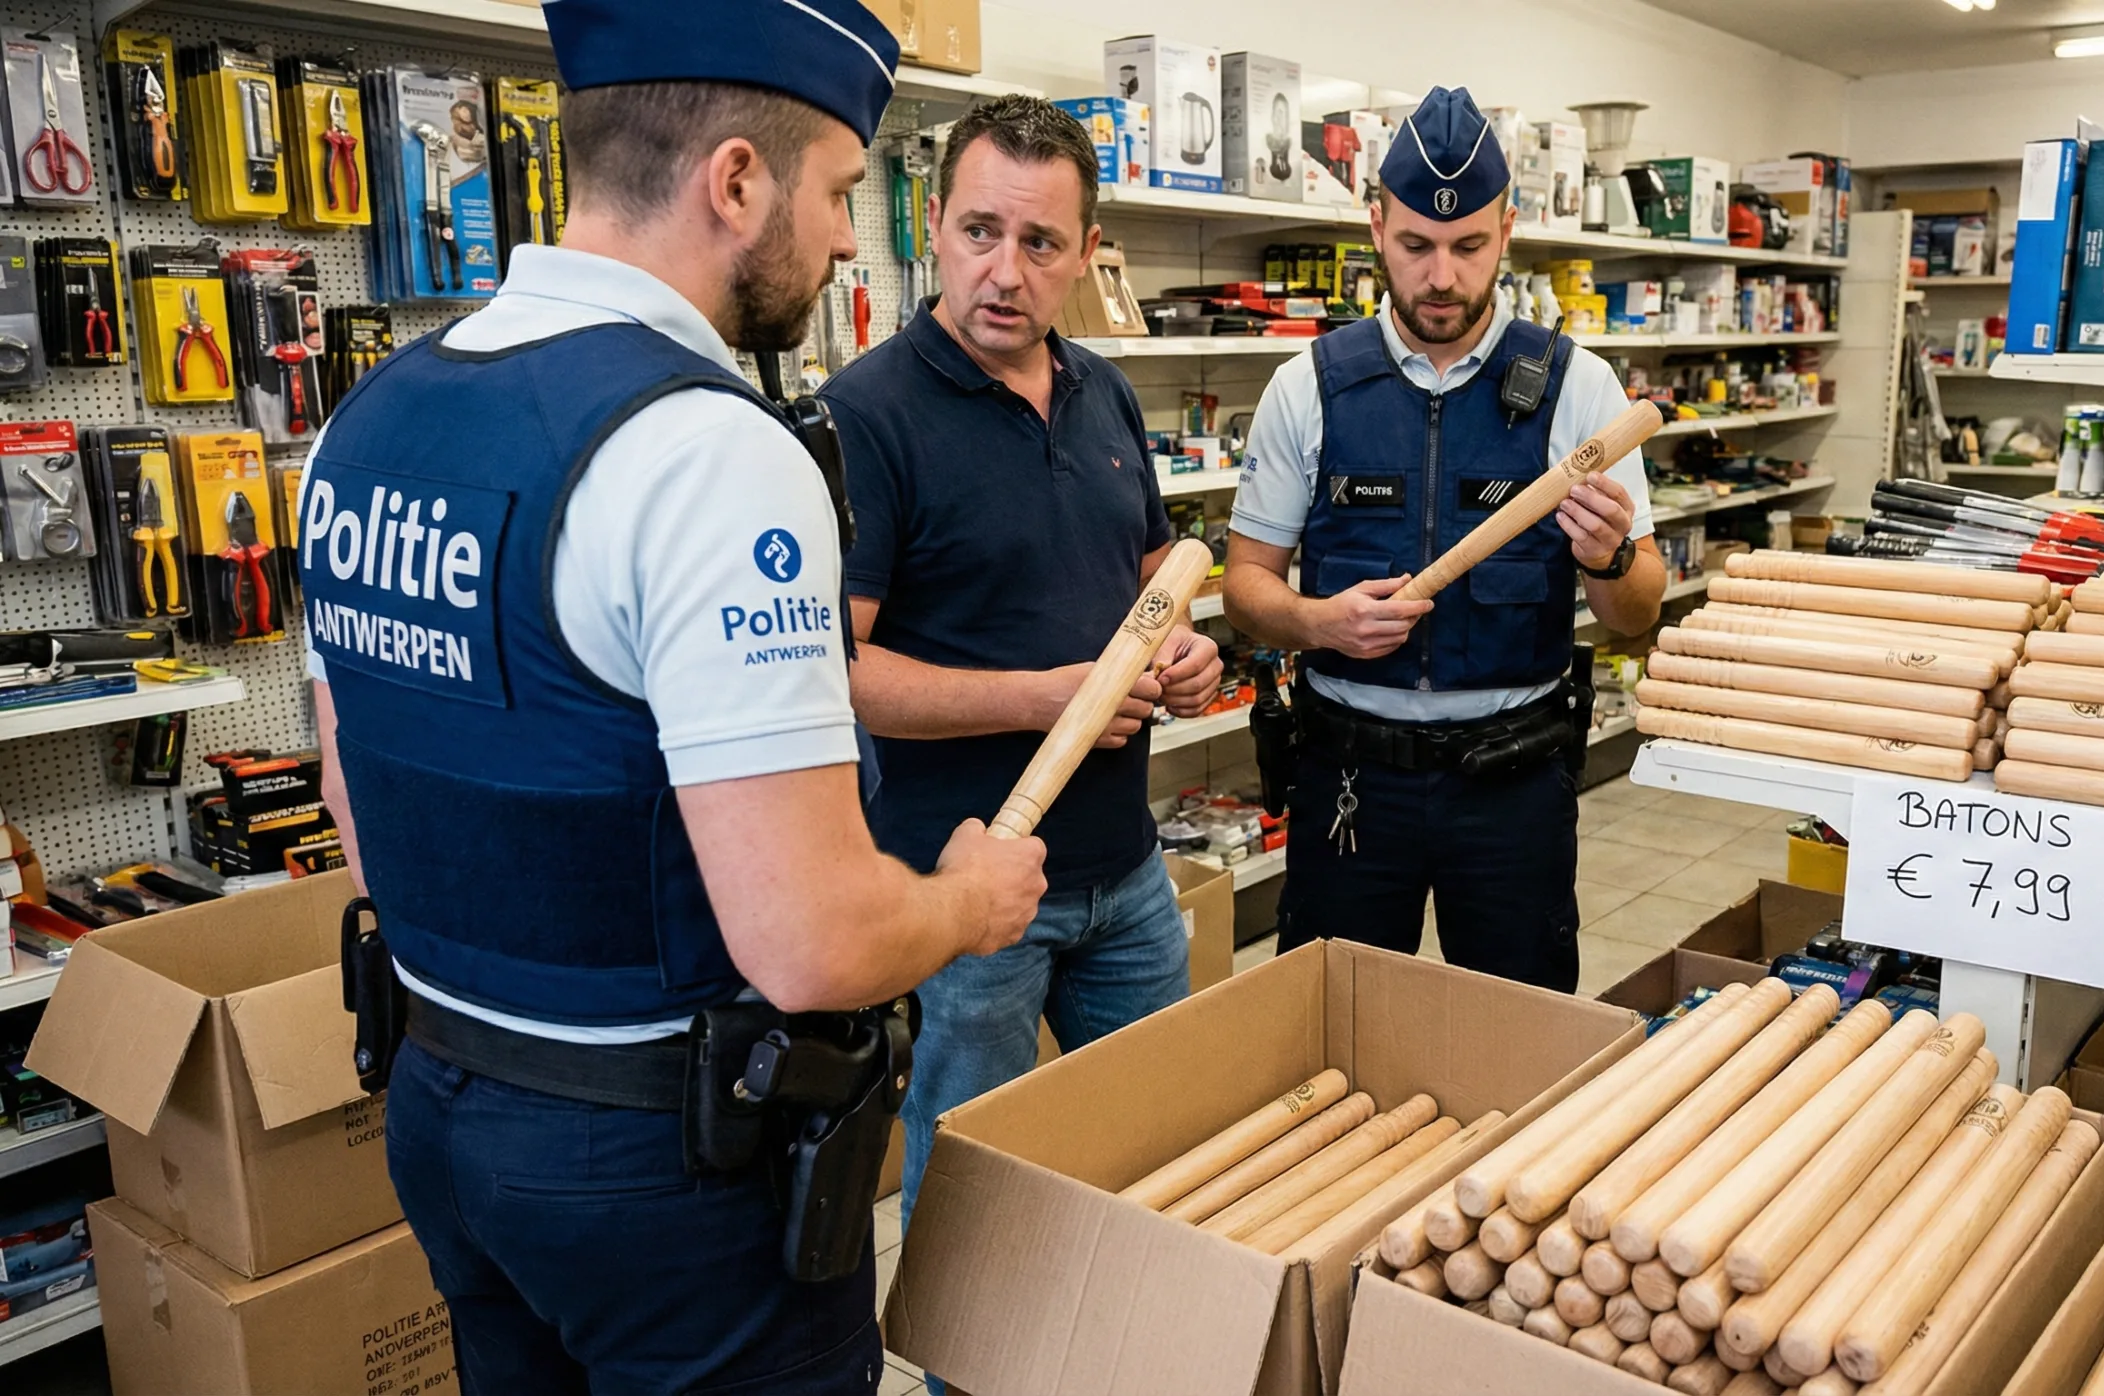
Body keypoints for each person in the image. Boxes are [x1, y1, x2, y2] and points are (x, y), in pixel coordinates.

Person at [300, 3, 1048, 1391]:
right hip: (661, 1172)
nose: (846, 240)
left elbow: (359, 806)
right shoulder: (707, 453)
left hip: (445, 1110)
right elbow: (810, 943)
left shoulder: (367, 421)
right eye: (837, 191)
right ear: (737, 181)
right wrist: (968, 901)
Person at [818, 94, 1224, 1234]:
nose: (1006, 272)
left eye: (1041, 242)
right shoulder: (865, 416)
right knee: (975, 1195)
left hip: (1127, 868)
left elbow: (1151, 579)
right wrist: (1045, 701)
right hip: (967, 889)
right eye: (981, 232)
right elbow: (837, 672)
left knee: (1169, 1151)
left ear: (1087, 253)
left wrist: (1183, 646)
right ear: (933, 226)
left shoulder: (1105, 391)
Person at [1223, 85, 1667, 994]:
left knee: (1521, 1030)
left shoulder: (1578, 389)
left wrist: (1610, 557)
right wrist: (1317, 623)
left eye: (1468, 247)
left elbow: (1636, 613)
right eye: (1416, 245)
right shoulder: (1308, 387)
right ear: (1376, 227)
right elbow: (1244, 589)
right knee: (1329, 1022)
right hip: (1351, 780)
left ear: (1506, 231)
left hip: (1512, 784)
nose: (1441, 277)